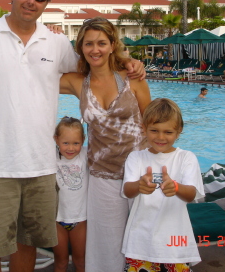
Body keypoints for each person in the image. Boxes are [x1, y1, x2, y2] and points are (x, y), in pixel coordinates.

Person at [0, 0, 147, 272]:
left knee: (27, 245)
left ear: (46, 2)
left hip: (42, 167)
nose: (31, 0)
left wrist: (129, 62)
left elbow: (92, 66)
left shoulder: (55, 43)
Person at [59, 17, 151, 272]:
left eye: (101, 43)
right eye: (88, 44)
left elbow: (152, 124)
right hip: (102, 176)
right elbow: (36, 74)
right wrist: (53, 38)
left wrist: (129, 61)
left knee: (145, 239)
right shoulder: (78, 82)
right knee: (105, 246)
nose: (95, 49)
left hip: (140, 172)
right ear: (81, 48)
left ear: (112, 44)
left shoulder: (132, 78)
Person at [121, 98, 204, 271]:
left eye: (168, 132)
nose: (160, 137)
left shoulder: (186, 158)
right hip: (140, 242)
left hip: (176, 243)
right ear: (144, 129)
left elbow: (191, 194)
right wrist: (139, 185)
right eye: (154, 130)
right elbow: (128, 191)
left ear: (179, 131)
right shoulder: (136, 157)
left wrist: (176, 187)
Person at [53, 117, 88, 272]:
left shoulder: (86, 156)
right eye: (65, 143)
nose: (71, 148)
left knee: (80, 261)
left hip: (79, 220)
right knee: (60, 262)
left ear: (83, 141)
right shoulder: (51, 157)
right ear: (56, 140)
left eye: (76, 143)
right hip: (57, 220)